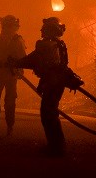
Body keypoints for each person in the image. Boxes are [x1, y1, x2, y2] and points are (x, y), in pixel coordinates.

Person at [9, 16, 71, 156]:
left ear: (49, 29)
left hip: (51, 82)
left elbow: (32, 60)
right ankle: (57, 146)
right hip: (57, 82)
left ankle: (56, 147)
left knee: (48, 114)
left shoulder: (46, 45)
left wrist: (15, 63)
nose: (41, 30)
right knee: (51, 113)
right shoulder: (59, 44)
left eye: (44, 28)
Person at [0, 15, 27, 136]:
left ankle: (9, 127)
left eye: (5, 26)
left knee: (9, 102)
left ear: (11, 27)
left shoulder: (18, 40)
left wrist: (18, 68)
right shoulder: (1, 38)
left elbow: (22, 59)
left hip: (10, 75)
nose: (3, 28)